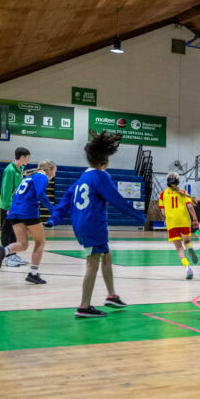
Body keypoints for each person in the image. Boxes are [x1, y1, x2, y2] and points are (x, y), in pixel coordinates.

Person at [46, 132, 147, 317]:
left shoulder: (81, 179)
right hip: (92, 226)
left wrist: (54, 219)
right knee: (92, 264)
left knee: (106, 256)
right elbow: (117, 200)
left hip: (82, 226)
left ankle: (111, 295)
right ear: (105, 160)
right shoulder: (101, 176)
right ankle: (84, 306)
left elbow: (64, 201)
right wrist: (140, 217)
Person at [0, 160, 57, 284]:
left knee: (22, 244)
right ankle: (33, 274)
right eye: (54, 171)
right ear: (49, 169)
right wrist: (53, 210)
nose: (54, 174)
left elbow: (16, 194)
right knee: (40, 242)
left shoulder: (28, 177)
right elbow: (41, 194)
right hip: (28, 211)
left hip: (14, 212)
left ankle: (4, 251)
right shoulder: (42, 176)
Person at [159, 172, 200, 278]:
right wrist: (195, 219)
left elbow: (163, 212)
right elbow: (190, 207)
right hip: (184, 222)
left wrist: (168, 216)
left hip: (172, 223)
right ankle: (189, 247)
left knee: (179, 248)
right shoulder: (183, 192)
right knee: (187, 241)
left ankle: (188, 269)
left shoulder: (163, 194)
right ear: (178, 181)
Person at [0, 147, 31, 267]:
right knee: (6, 232)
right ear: (22, 157)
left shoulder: (21, 169)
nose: (28, 159)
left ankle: (13, 255)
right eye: (27, 157)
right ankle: (7, 258)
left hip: (16, 207)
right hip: (8, 208)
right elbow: (6, 191)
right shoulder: (10, 170)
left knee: (14, 232)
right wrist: (7, 208)